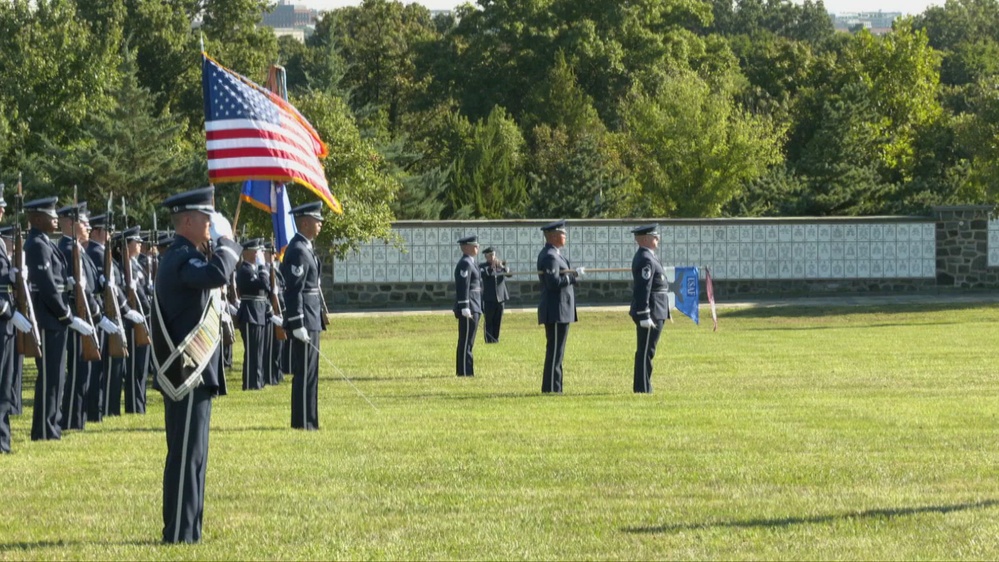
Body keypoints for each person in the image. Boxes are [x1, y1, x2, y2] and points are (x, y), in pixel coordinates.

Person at [150, 186, 240, 544]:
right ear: (186, 221)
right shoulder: (180, 258)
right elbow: (216, 275)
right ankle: (178, 532)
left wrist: (221, 245)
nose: (210, 225)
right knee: (186, 456)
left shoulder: (186, 254)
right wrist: (228, 243)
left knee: (194, 456)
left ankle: (189, 528)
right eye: (205, 219)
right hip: (186, 373)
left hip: (195, 373)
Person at [25, 196, 94, 440]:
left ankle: (51, 425)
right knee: (50, 377)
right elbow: (47, 287)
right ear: (35, 219)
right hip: (48, 318)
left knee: (58, 376)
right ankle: (44, 429)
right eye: (49, 214)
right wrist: (66, 314)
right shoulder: (36, 244)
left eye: (55, 214)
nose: (55, 218)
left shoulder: (45, 242)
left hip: (55, 318)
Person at [56, 203, 109, 431]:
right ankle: (71, 419)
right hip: (78, 312)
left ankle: (79, 417)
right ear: (70, 223)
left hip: (87, 310)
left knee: (84, 370)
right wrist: (97, 315)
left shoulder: (78, 248)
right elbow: (78, 286)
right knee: (78, 370)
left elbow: (89, 282)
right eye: (83, 222)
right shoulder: (68, 249)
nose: (88, 225)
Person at [280, 201, 326, 430]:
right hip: (305, 318)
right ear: (305, 222)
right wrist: (297, 322)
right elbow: (294, 289)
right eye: (317, 221)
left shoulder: (305, 247)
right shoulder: (298, 249)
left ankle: (310, 419)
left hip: (312, 316)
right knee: (304, 372)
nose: (320, 225)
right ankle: (302, 421)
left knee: (311, 373)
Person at [537, 220, 584, 394]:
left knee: (558, 352)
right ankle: (552, 388)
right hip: (556, 309)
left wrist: (572, 274)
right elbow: (553, 282)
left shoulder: (556, 254)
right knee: (555, 351)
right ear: (554, 236)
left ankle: (555, 387)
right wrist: (573, 276)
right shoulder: (550, 256)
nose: (565, 236)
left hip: (561, 309)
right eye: (563, 234)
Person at [629, 224, 670, 394]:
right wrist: (644, 314)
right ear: (645, 239)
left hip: (657, 308)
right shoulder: (646, 258)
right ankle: (642, 388)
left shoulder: (649, 256)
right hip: (651, 310)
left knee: (648, 351)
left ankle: (644, 386)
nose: (658, 238)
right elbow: (643, 288)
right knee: (646, 351)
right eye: (655, 236)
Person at [121, 226, 152, 414]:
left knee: (141, 367)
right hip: (134, 321)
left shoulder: (137, 264)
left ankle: (140, 403)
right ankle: (134, 405)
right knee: (134, 368)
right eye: (136, 241)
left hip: (144, 317)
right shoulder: (126, 266)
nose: (140, 244)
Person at [235, 238, 273, 391]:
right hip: (250, 313)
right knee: (252, 352)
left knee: (259, 351)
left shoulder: (254, 269)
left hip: (259, 313)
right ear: (247, 252)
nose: (258, 253)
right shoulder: (244, 270)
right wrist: (263, 266)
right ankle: (250, 383)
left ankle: (258, 381)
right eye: (255, 250)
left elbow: (268, 287)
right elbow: (264, 284)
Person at [453, 235, 481, 376]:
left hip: (475, 305)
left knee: (469, 341)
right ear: (465, 247)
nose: (477, 247)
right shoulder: (465, 263)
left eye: (477, 245)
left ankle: (465, 370)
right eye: (474, 245)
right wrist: (464, 306)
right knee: (466, 341)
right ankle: (464, 371)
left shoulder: (472, 262)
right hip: (469, 307)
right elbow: (463, 285)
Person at [478, 247, 509, 344]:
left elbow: (509, 273)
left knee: (498, 320)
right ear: (486, 256)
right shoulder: (482, 266)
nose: (492, 257)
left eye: (493, 255)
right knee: (489, 320)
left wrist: (503, 268)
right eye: (490, 255)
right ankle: (489, 339)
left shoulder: (500, 265)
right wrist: (492, 268)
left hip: (500, 298)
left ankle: (496, 339)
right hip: (489, 298)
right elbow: (485, 275)